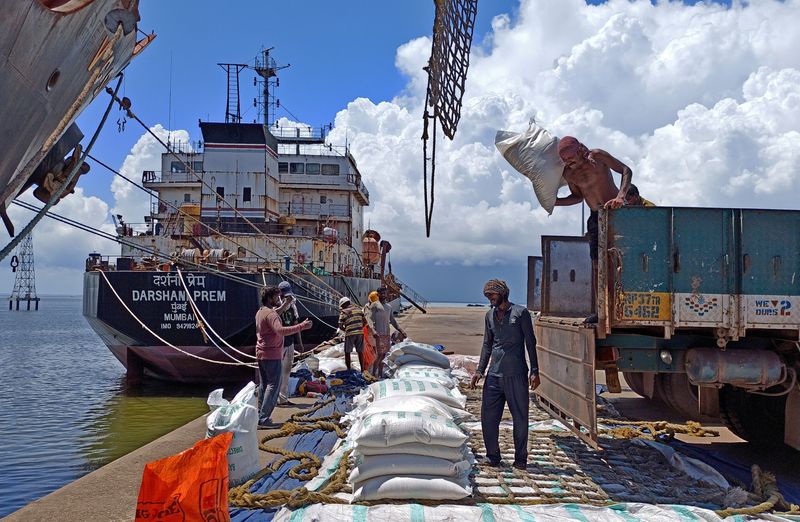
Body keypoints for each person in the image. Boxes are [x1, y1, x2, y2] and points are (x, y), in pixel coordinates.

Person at [554, 136, 633, 323]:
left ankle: (628, 306)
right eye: (565, 160)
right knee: (597, 265)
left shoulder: (597, 156)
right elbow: (577, 197)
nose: (569, 163)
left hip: (617, 213)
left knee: (624, 261)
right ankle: (600, 311)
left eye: (571, 158)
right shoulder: (569, 174)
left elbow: (626, 170)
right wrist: (555, 202)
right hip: (595, 217)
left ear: (580, 149)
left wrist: (621, 197)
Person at [469, 279, 539, 470]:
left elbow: (530, 342)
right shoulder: (489, 316)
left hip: (516, 374)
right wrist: (479, 371)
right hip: (494, 375)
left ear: (502, 293)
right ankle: (493, 456)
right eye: (487, 296)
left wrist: (534, 370)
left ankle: (520, 459)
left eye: (491, 294)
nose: (489, 298)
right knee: (488, 417)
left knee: (520, 417)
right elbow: (487, 345)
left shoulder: (520, 313)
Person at [255, 286, 312, 429]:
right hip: (272, 353)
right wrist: (301, 326)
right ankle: (264, 419)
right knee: (274, 385)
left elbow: (274, 314)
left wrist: (286, 304)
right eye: (276, 297)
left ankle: (259, 415)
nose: (279, 299)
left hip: (261, 352)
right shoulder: (272, 315)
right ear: (270, 298)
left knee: (263, 385)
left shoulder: (261, 312)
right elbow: (280, 330)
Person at [365, 287, 406, 377]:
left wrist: (401, 330)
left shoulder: (389, 307)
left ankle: (380, 373)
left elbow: (393, 320)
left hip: (386, 334)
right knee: (379, 355)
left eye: (385, 293)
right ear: (378, 295)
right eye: (381, 293)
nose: (383, 295)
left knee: (384, 355)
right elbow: (369, 318)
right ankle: (373, 375)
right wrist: (373, 330)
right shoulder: (375, 305)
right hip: (378, 334)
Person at [276, 281, 303, 407]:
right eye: (284, 296)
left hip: (290, 342)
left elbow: (295, 324)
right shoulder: (275, 306)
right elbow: (274, 316)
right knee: (277, 372)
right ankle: (275, 399)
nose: (287, 298)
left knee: (286, 372)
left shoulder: (293, 306)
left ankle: (283, 398)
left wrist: (300, 343)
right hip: (278, 344)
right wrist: (284, 304)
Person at [338, 297, 366, 370]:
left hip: (350, 333)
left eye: (342, 306)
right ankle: (362, 370)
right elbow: (365, 321)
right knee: (360, 352)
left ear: (344, 304)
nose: (342, 307)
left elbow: (340, 326)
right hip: (360, 333)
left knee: (347, 352)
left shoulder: (343, 312)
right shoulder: (359, 310)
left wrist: (347, 329)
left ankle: (349, 370)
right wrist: (359, 327)